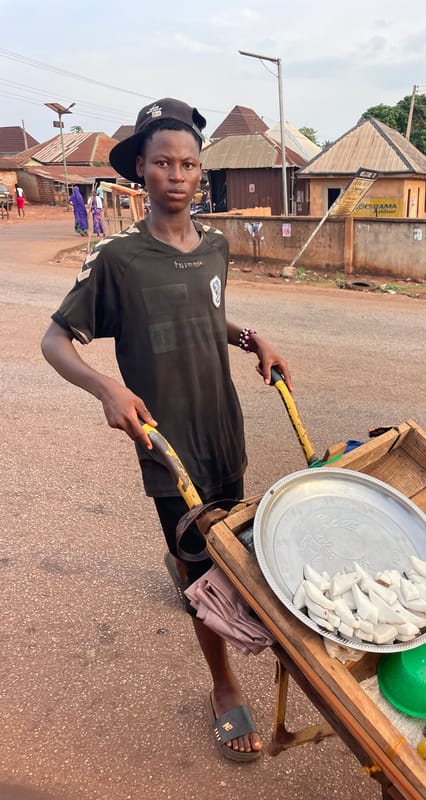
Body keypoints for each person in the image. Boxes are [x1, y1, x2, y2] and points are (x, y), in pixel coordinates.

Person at [40, 98, 292, 762]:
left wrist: (249, 335)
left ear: (199, 172)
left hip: (222, 431)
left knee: (231, 558)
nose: (177, 175)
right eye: (162, 163)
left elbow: (208, 315)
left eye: (187, 163)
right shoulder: (117, 258)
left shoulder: (215, 247)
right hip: (166, 447)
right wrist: (106, 386)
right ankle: (221, 683)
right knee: (205, 577)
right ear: (141, 173)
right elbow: (55, 340)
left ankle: (184, 563)